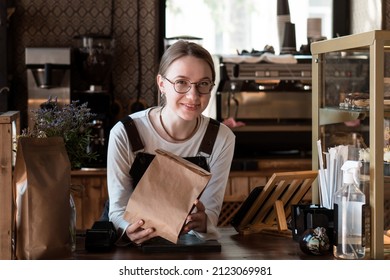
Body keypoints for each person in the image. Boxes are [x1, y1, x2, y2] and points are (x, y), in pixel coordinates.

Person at [107, 40, 235, 246]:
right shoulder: (126, 133)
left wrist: (203, 222)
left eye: (203, 84)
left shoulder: (221, 138)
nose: (193, 96)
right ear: (161, 84)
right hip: (129, 247)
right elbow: (117, 210)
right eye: (181, 82)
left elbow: (211, 213)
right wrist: (127, 229)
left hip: (188, 246)